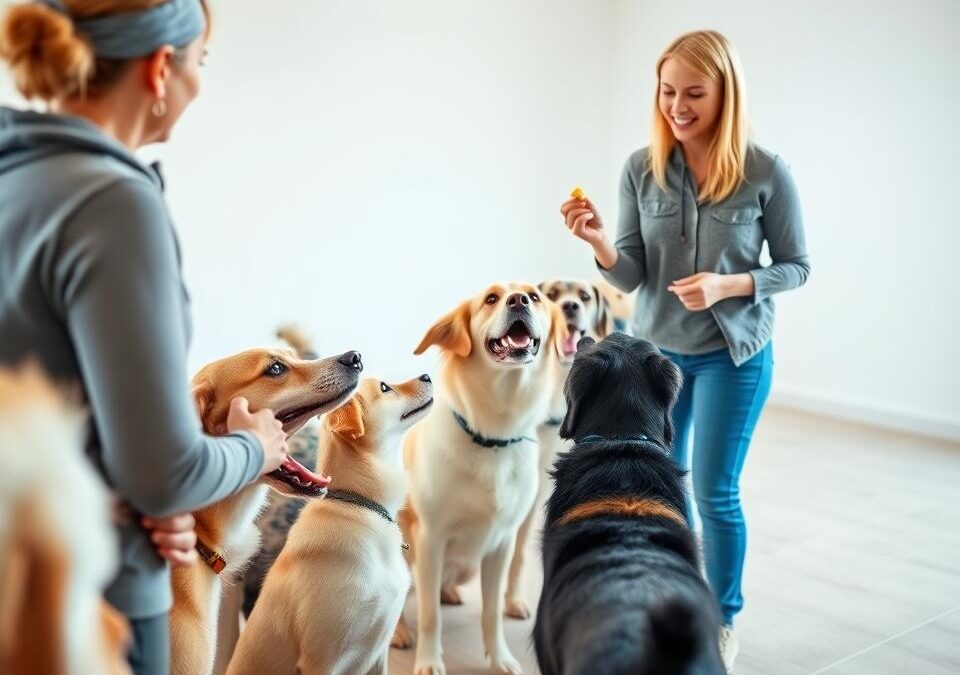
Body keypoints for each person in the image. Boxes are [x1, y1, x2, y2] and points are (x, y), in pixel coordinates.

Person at [0, 2, 288, 673]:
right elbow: (165, 473)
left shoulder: (14, 178)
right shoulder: (112, 202)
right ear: (162, 68)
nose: (197, 81)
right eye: (201, 62)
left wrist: (119, 485)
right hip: (86, 605)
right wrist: (255, 447)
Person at [561, 29, 810, 673]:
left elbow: (798, 266)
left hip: (735, 354)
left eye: (694, 93)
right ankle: (662, 603)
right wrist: (596, 241)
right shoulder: (640, 168)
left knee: (718, 492)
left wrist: (732, 283)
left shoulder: (765, 171)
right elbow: (628, 274)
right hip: (655, 361)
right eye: (668, 91)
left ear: (725, 93)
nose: (677, 105)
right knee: (661, 486)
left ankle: (720, 619)